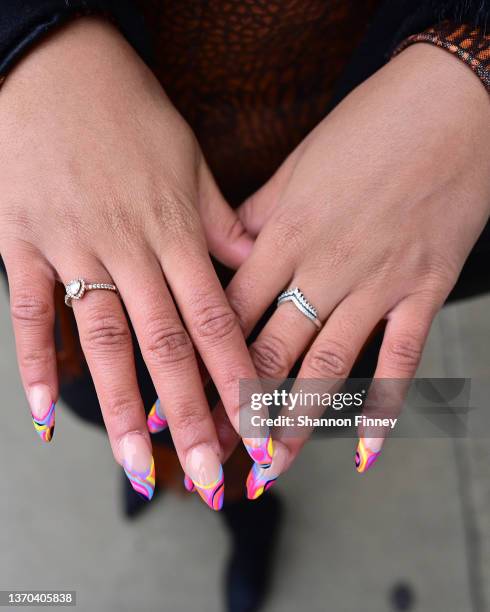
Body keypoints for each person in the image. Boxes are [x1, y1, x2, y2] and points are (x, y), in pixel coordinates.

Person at [0, 2, 489, 611]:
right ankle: (154, 463)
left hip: (367, 151)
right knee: (112, 384)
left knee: (299, 401)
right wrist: (27, 37)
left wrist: (475, 64)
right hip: (84, 152)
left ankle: (247, 511)